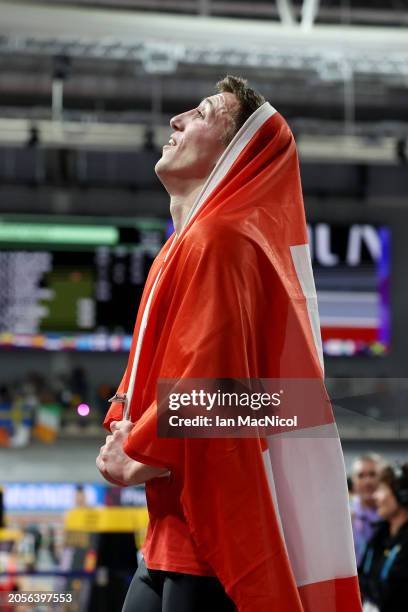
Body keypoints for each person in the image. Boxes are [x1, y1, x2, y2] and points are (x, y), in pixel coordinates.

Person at [97, 76, 362, 612]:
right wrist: (127, 430)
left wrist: (137, 448)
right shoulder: (191, 244)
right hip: (172, 535)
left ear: (235, 151)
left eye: (201, 113)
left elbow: (224, 389)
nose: (176, 121)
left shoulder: (221, 239)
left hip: (210, 547)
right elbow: (283, 402)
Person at [359, 463, 408, 612]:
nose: (375, 496)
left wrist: (364, 584)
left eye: (381, 489)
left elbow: (388, 593)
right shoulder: (379, 535)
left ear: (402, 494)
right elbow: (361, 573)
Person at [351, 454, 383, 565]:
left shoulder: (392, 516)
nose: (367, 481)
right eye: (361, 476)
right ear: (353, 481)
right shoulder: (344, 515)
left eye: (372, 474)